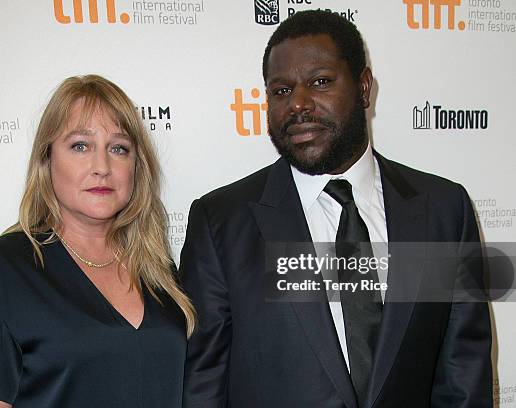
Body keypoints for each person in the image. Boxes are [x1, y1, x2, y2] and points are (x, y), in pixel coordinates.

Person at [181, 10, 492, 408]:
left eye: (320, 82)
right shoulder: (220, 222)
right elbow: (204, 384)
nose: (298, 104)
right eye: (280, 90)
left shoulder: (444, 211)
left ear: (364, 88)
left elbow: (464, 375)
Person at [0, 74, 195, 407]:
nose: (101, 166)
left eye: (118, 148)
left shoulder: (157, 271)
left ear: (136, 167)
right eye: (80, 146)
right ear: (47, 160)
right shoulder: (0, 272)